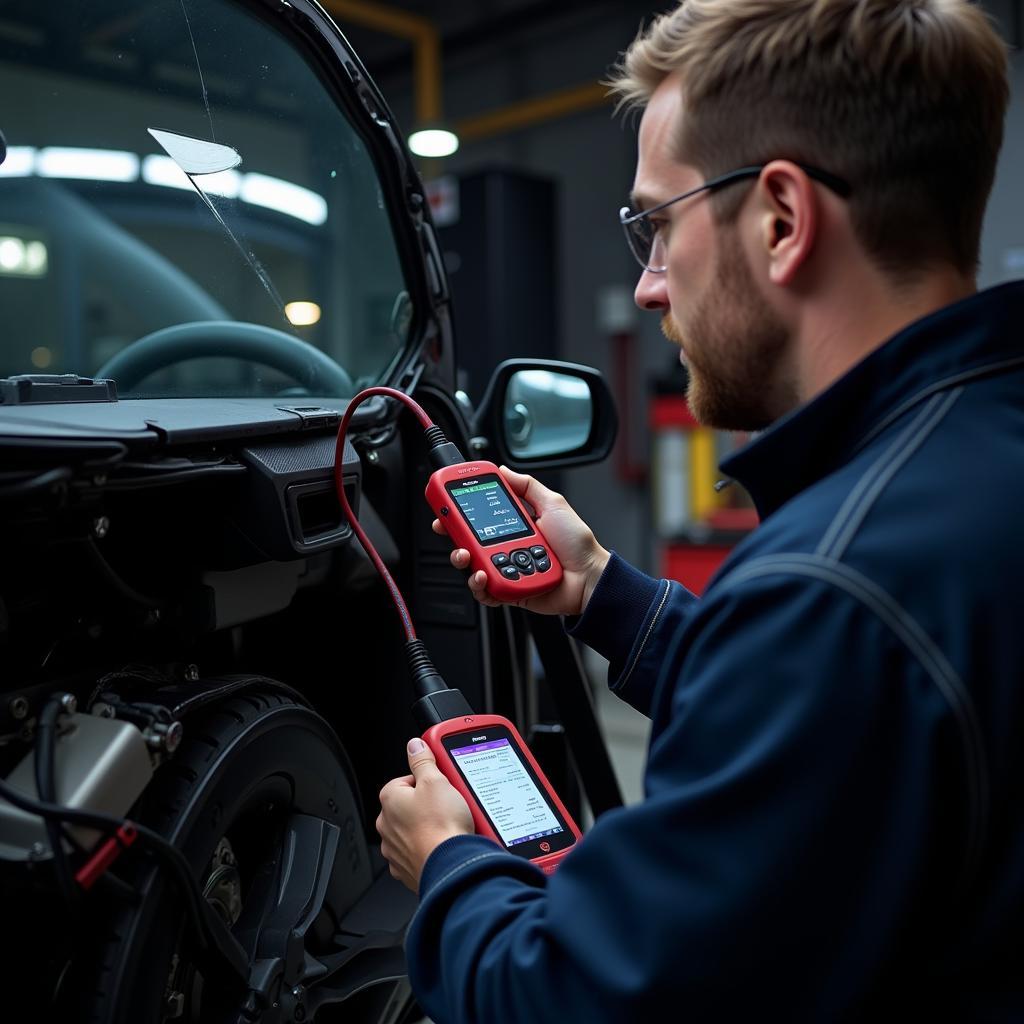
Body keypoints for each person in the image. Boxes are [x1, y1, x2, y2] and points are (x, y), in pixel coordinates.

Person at [377, 0, 1024, 1019]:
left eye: (655, 224)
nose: (645, 287)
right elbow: (853, 737)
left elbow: (578, 998)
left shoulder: (831, 592)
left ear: (779, 218)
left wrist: (450, 866)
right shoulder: (968, 471)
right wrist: (600, 592)